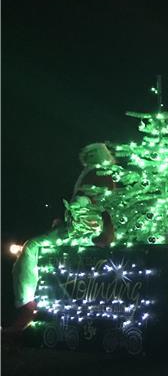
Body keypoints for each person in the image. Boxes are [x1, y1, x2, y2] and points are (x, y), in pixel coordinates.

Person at [6, 143, 116, 336]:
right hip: (73, 229)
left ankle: (27, 305)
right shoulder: (92, 175)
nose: (89, 157)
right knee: (31, 247)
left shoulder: (101, 177)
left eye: (93, 154)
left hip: (84, 234)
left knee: (32, 247)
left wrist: (103, 233)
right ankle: (27, 304)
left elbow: (106, 211)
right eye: (87, 154)